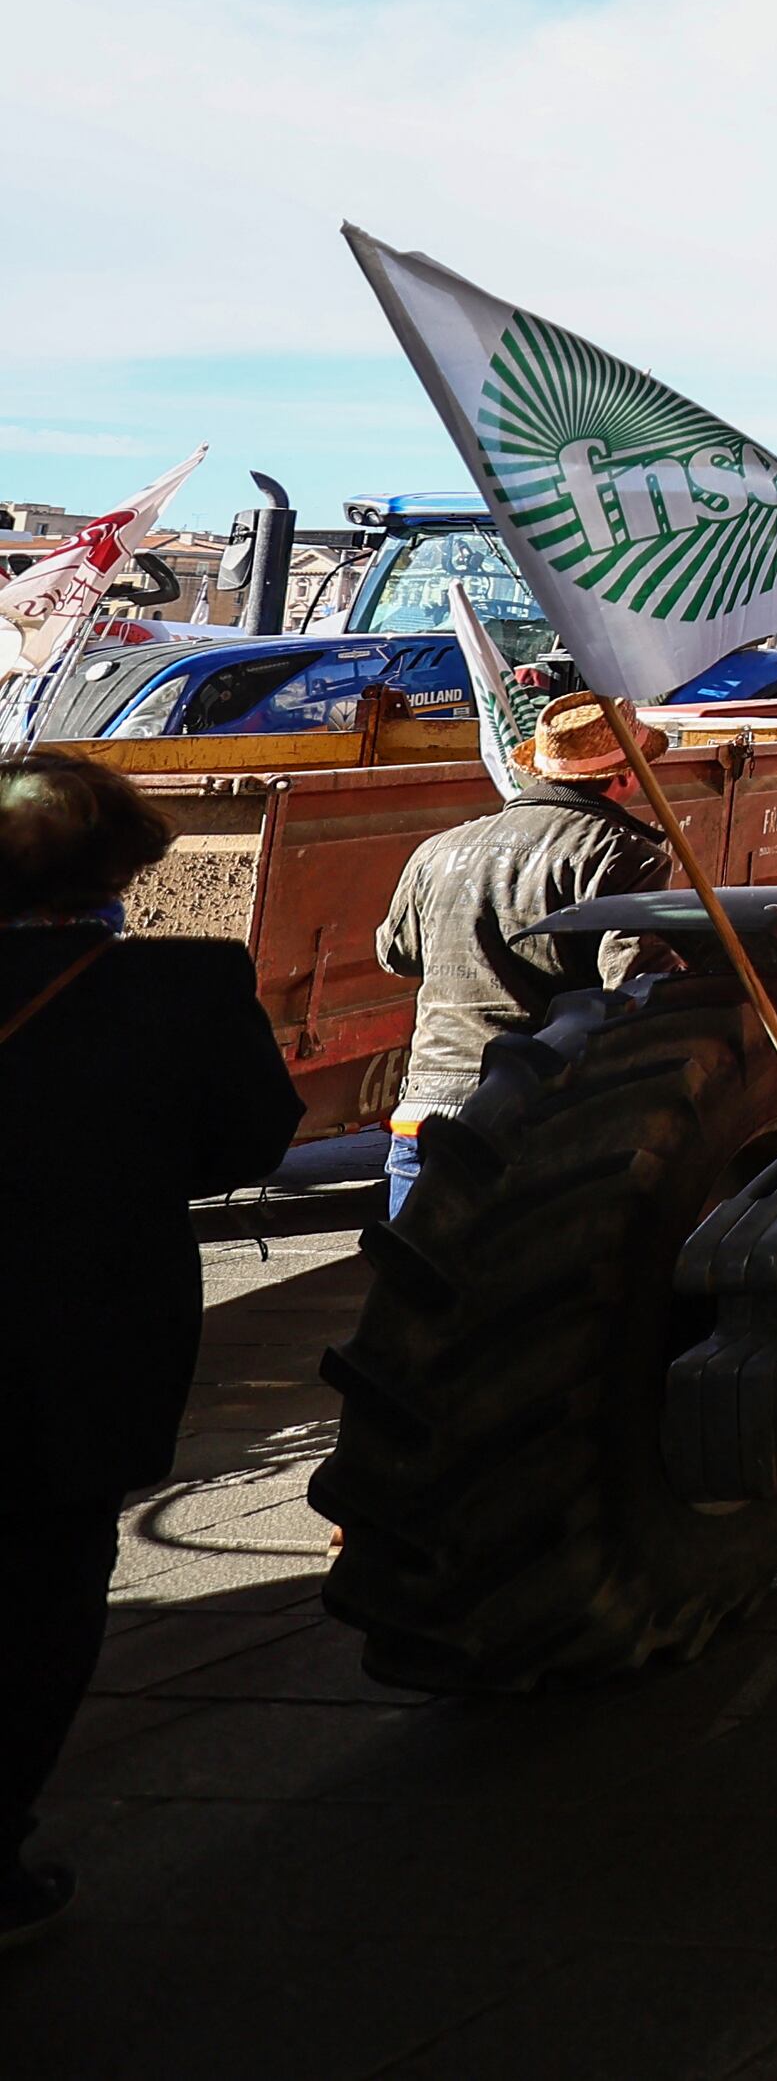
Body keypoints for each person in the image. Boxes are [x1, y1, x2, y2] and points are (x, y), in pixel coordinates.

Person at [0, 752, 305, 1950]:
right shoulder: (182, 988)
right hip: (75, 1337)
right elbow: (248, 1148)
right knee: (41, 1589)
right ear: (124, 864)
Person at [369, 692, 670, 1219]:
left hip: (426, 1110)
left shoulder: (440, 848)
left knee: (411, 1289)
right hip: (535, 1117)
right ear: (624, 777)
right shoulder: (622, 853)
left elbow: (397, 955)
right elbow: (632, 990)